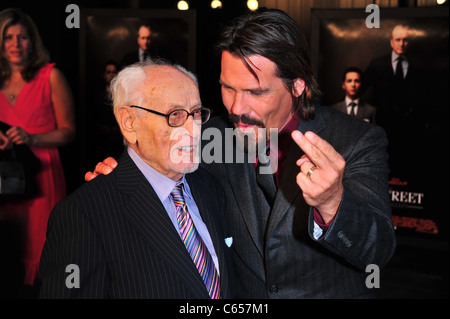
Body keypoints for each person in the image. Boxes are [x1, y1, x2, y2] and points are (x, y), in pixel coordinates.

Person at [87, 9, 396, 298]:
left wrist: (332, 204)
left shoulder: (359, 140)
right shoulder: (204, 137)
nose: (236, 107)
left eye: (255, 92)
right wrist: (124, 186)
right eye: (227, 88)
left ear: (298, 85)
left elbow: (377, 251)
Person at [39, 60, 233, 299]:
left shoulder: (210, 186)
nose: (193, 130)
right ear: (130, 123)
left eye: (196, 113)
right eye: (175, 115)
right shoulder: (84, 214)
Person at [0, 8, 76, 287]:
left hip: (42, 172)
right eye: (8, 37)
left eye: (22, 37)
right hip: (4, 174)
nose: (16, 44)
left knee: (39, 244)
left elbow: (69, 132)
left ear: (33, 41)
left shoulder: (50, 76)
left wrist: (31, 138)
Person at [362, 24, 424, 176]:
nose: (402, 44)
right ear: (391, 42)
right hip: (382, 125)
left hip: (409, 128)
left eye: (405, 40)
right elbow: (359, 89)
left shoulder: (419, 65)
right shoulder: (377, 64)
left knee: (405, 167)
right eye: (398, 40)